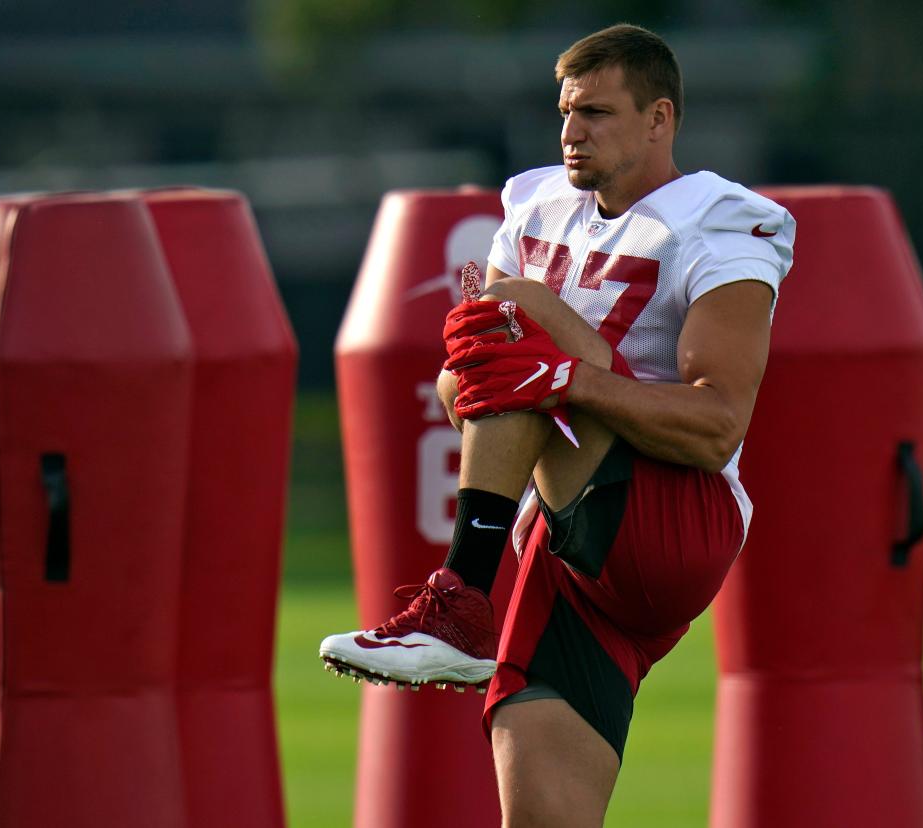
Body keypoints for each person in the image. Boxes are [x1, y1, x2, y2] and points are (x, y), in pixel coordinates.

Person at [320, 23, 795, 826]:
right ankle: (466, 601)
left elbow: (718, 424)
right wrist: (511, 379)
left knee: (519, 313)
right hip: (563, 542)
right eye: (567, 112)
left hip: (670, 519)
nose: (573, 133)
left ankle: (463, 594)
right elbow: (471, 383)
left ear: (659, 119)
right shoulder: (535, 201)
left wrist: (563, 377)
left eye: (599, 114)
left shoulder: (719, 223)